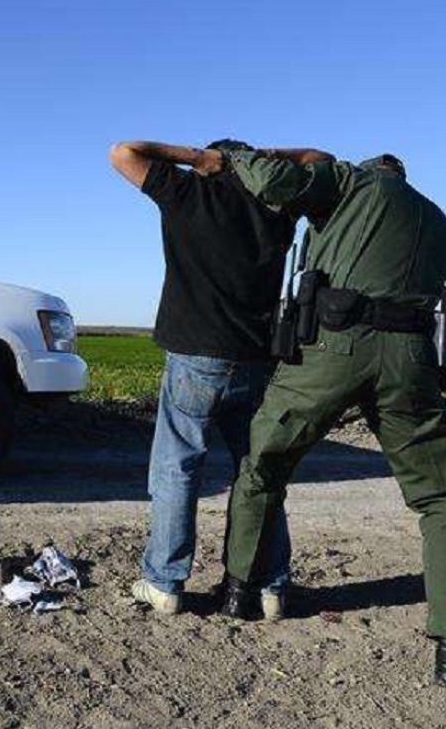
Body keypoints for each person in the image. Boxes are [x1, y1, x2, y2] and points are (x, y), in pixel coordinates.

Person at [208, 146, 446, 694]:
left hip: (332, 349)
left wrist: (236, 155)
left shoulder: (350, 183)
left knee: (264, 465)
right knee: (443, 499)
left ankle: (239, 593)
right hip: (411, 361)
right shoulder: (442, 226)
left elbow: (276, 181)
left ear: (373, 170)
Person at [108, 139, 297, 617]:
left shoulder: (187, 192)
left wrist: (196, 159)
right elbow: (322, 158)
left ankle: (165, 581)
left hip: (194, 355)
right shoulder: (276, 202)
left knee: (177, 467)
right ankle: (270, 586)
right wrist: (262, 160)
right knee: (258, 473)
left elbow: (122, 152)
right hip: (255, 359)